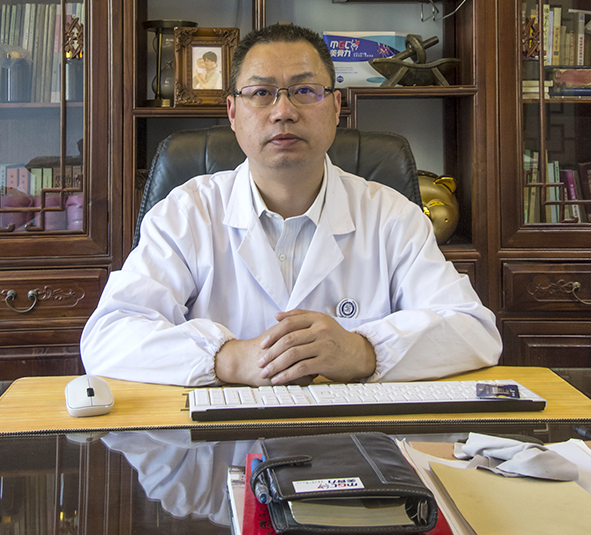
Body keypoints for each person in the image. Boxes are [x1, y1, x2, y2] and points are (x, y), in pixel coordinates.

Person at [81, 24, 501, 387]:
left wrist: (364, 351)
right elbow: (108, 336)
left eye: (305, 91)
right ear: (232, 111)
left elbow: (475, 331)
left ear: (337, 107)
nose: (283, 111)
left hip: (360, 446)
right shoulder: (188, 212)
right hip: (218, 450)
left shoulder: (392, 216)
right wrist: (228, 358)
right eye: (261, 93)